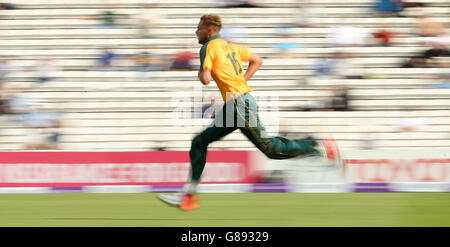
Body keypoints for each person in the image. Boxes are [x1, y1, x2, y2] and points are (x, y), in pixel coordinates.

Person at [158, 14, 343, 211]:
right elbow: (257, 59)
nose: (196, 31)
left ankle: (318, 146)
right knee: (200, 141)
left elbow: (205, 80)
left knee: (270, 148)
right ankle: (188, 196)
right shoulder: (231, 46)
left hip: (239, 105)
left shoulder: (208, 48)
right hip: (236, 104)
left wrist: (201, 71)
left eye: (199, 28)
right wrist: (242, 80)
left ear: (209, 30)